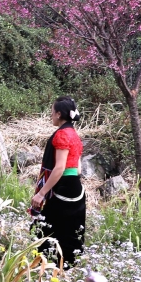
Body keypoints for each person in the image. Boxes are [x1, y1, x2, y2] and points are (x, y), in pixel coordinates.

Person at [31, 96, 87, 266]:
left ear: (58, 114)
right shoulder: (75, 135)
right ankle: (66, 267)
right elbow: (78, 169)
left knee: (46, 228)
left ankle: (44, 267)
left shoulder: (61, 135)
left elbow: (59, 168)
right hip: (76, 188)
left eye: (52, 112)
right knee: (70, 230)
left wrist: (41, 193)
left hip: (62, 187)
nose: (50, 115)